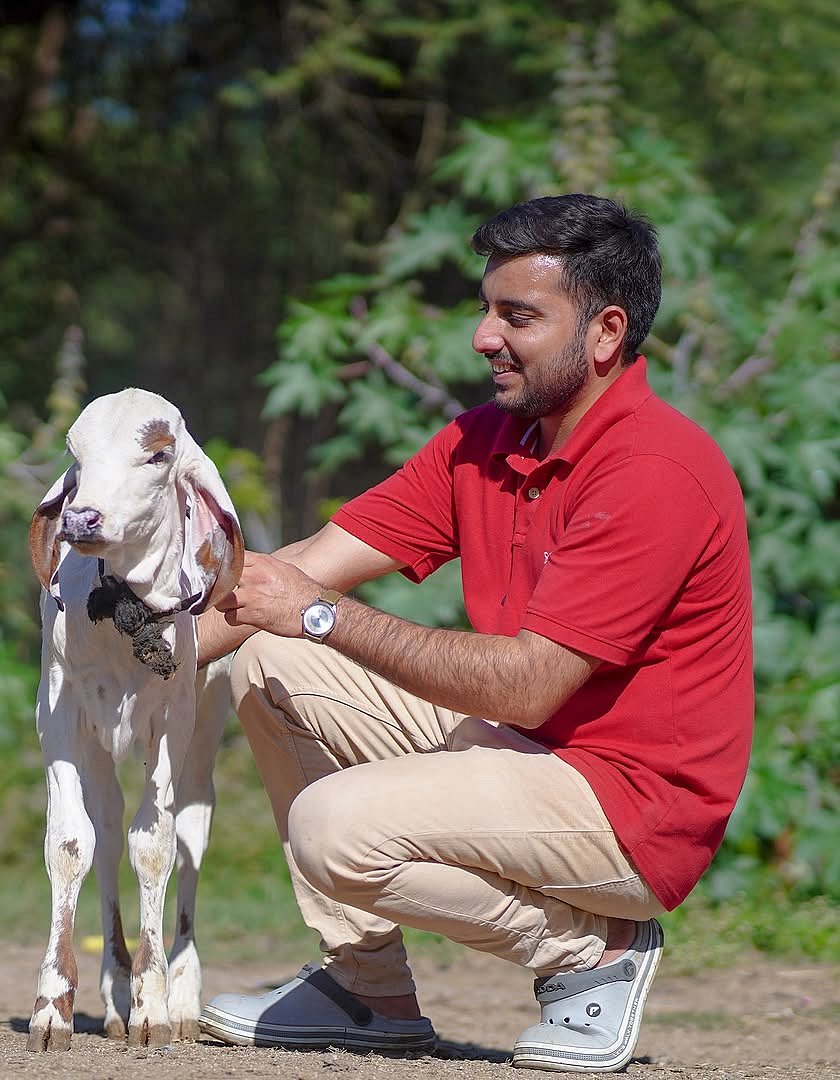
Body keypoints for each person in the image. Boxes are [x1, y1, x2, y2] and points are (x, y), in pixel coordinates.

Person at [194, 193, 754, 1073]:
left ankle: (594, 956)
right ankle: (367, 991)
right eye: (486, 309)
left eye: (517, 316)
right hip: (527, 755)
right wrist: (142, 667)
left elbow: (526, 684)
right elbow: (301, 567)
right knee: (268, 653)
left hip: (632, 810)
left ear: (606, 332)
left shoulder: (654, 468)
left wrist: (317, 612)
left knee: (334, 827)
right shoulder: (484, 442)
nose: (483, 337)